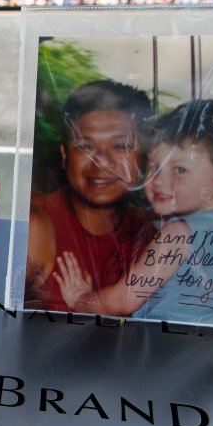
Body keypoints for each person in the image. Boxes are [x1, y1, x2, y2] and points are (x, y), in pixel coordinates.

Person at [54, 99, 213, 327]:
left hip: (171, 348)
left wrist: (81, 299)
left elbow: (123, 301)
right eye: (155, 167)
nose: (158, 180)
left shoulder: (177, 233)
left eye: (180, 170)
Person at [26, 80, 155, 311]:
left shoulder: (153, 231)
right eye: (85, 147)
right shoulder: (37, 225)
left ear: (143, 157)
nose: (102, 162)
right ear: (65, 155)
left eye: (121, 146)